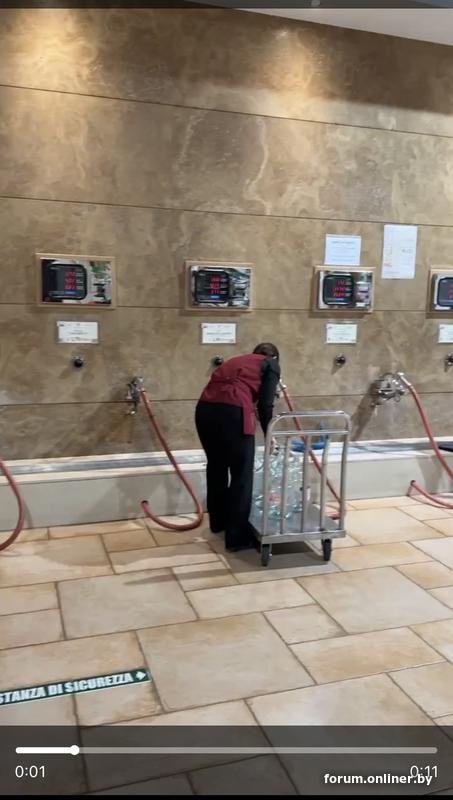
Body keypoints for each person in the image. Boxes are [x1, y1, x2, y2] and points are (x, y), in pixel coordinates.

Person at [195, 343, 281, 552]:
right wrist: (270, 434)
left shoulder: (237, 361)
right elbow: (265, 404)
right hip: (233, 412)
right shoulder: (271, 364)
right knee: (241, 474)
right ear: (274, 357)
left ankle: (218, 524)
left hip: (205, 410)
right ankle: (237, 539)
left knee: (216, 466)